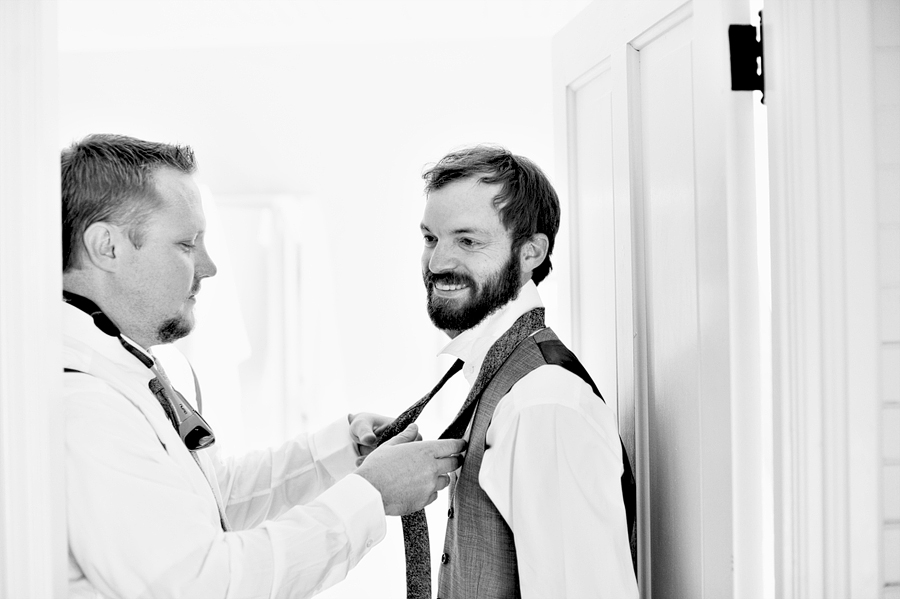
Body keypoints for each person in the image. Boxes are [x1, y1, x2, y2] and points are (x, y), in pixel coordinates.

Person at [60, 133, 465, 598]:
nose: (209, 267)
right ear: (106, 247)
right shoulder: (85, 408)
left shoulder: (126, 365)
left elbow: (209, 501)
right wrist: (372, 494)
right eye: (186, 244)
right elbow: (207, 586)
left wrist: (337, 449)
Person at [413, 145, 638, 598]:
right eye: (431, 238)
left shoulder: (544, 405)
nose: (437, 263)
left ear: (531, 252)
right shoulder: (499, 374)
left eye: (467, 240)